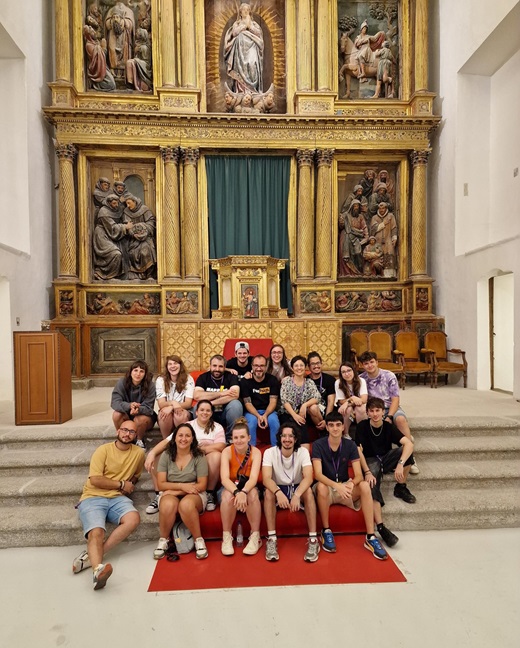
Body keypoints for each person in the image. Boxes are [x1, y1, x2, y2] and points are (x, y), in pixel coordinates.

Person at [72, 420, 145, 590]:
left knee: (133, 519)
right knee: (96, 532)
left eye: (132, 432)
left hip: (118, 499)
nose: (127, 434)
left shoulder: (138, 453)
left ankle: (93, 556)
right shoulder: (103, 450)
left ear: (136, 436)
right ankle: (98, 570)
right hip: (93, 497)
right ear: (118, 431)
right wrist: (121, 484)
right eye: (125, 430)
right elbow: (95, 480)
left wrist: (130, 484)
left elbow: (137, 474)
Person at [312, 412, 388, 560]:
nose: (335, 428)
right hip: (327, 487)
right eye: (331, 425)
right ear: (326, 427)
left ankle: (370, 537)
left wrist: (350, 484)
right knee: (320, 486)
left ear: (343, 427)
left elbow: (359, 475)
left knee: (365, 486)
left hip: (345, 487)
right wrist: (336, 486)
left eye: (338, 425)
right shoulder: (318, 444)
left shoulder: (350, 445)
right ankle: (326, 531)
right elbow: (318, 475)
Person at [356, 397, 415, 548]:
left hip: (386, 458)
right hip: (371, 461)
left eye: (378, 411)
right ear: (368, 412)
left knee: (407, 452)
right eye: (372, 411)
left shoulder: (388, 427)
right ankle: (381, 527)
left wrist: (400, 464)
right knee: (372, 483)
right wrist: (367, 472)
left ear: (383, 412)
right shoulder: (362, 426)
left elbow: (408, 444)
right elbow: (358, 452)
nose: (375, 414)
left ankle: (400, 487)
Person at [262, 422, 320, 562]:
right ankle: (272, 538)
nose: (287, 439)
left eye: (291, 436)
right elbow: (266, 479)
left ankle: (313, 539)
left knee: (308, 493)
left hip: (297, 486)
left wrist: (297, 494)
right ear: (280, 437)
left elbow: (308, 477)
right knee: (268, 493)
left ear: (295, 439)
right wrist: (278, 492)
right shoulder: (270, 452)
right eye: (284, 436)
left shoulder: (303, 452)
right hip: (279, 487)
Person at [154, 424, 209, 560]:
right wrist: (182, 487)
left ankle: (198, 540)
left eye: (187, 436)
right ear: (174, 438)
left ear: (192, 439)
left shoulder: (199, 455)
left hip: (195, 493)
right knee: (167, 504)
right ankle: (163, 540)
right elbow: (161, 484)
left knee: (186, 505)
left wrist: (177, 492)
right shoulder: (166, 455)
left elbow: (202, 485)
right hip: (172, 491)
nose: (183, 439)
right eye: (180, 435)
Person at [359, 351, 419, 474]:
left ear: (376, 362)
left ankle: (410, 457)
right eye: (366, 363)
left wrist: (390, 416)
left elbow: (395, 399)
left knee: (400, 420)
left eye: (372, 362)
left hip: (390, 407)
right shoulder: (361, 379)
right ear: (362, 366)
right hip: (374, 410)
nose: (370, 365)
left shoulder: (389, 375)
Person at [219, 418, 262, 556]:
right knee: (226, 496)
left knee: (253, 495)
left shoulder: (256, 452)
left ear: (249, 437)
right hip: (232, 486)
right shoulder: (226, 452)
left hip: (249, 486)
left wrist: (243, 491)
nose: (239, 440)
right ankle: (226, 536)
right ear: (231, 438)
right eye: (235, 437)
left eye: (242, 437)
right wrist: (237, 492)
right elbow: (224, 479)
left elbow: (254, 478)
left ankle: (255, 536)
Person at [194, 355, 242, 440]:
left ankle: (230, 438)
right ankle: (201, 436)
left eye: (220, 366)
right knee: (197, 407)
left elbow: (235, 395)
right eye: (214, 366)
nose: (217, 369)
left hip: (226, 412)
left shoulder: (231, 376)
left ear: (225, 367)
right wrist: (222, 393)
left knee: (236, 404)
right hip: (209, 412)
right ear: (210, 366)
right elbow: (197, 396)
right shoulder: (203, 377)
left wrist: (211, 402)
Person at [111, 360, 156, 448]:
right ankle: (121, 437)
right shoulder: (122, 382)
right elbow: (115, 402)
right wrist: (129, 406)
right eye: (135, 370)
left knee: (139, 419)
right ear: (131, 372)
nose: (138, 374)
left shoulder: (150, 385)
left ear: (145, 374)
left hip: (144, 416)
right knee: (116, 414)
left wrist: (137, 409)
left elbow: (149, 408)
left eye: (141, 371)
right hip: (127, 413)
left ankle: (139, 441)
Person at [279, 355, 321, 449]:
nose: (299, 368)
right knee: (291, 428)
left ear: (305, 367)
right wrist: (294, 415)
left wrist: (305, 405)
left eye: (301, 365)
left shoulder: (309, 382)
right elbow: (284, 401)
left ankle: (304, 459)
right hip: (287, 413)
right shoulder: (287, 382)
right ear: (292, 368)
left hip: (302, 414)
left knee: (303, 430)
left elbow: (316, 397)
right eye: (296, 366)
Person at [224, 2, 264, 94]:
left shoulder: (254, 24)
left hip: (252, 48)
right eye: (244, 10)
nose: (245, 12)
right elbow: (234, 33)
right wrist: (244, 26)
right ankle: (241, 91)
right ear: (240, 12)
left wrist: (249, 26)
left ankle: (253, 91)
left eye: (247, 10)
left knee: (253, 65)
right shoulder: (237, 23)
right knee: (240, 69)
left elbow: (258, 33)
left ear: (249, 12)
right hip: (240, 52)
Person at [241, 354, 280, 446]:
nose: (259, 368)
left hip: (269, 411)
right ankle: (251, 451)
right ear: (252, 366)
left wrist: (265, 415)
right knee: (251, 423)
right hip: (251, 412)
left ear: (266, 367)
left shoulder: (272, 380)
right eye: (256, 366)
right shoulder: (245, 381)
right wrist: (258, 416)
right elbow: (248, 403)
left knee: (274, 422)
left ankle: (276, 450)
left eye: (262, 366)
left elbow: (273, 401)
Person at [92, 194, 132, 280]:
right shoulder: (104, 212)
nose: (116, 205)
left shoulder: (116, 209)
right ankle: (103, 274)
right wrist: (125, 227)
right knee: (116, 254)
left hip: (111, 235)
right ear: (109, 203)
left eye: (117, 203)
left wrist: (126, 222)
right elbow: (112, 228)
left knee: (127, 248)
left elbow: (121, 217)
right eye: (114, 203)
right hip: (103, 235)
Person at [155, 355, 194, 439]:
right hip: (166, 410)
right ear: (167, 367)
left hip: (184, 410)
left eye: (175, 363)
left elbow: (188, 403)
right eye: (170, 364)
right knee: (164, 415)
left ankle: (180, 441)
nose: (173, 366)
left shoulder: (188, 378)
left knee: (179, 415)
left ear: (180, 365)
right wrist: (173, 403)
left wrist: (172, 407)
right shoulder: (160, 379)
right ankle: (166, 443)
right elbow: (161, 404)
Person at [123, 195, 157, 280]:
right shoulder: (126, 212)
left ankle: (149, 274)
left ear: (134, 202)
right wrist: (133, 234)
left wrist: (144, 230)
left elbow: (151, 223)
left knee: (145, 251)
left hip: (146, 238)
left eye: (129, 203)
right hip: (133, 239)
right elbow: (127, 226)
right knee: (132, 253)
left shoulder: (144, 210)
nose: (128, 205)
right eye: (126, 203)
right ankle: (139, 275)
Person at [335, 362, 368, 437]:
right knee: (347, 409)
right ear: (341, 374)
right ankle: (346, 434)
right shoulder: (338, 383)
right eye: (343, 372)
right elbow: (341, 401)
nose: (347, 374)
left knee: (361, 408)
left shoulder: (361, 381)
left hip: (359, 406)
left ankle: (362, 434)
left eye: (349, 370)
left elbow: (364, 399)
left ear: (353, 371)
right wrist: (352, 398)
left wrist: (348, 402)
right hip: (346, 407)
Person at [307, 351, 336, 433]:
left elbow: (331, 401)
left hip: (327, 412)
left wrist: (326, 419)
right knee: (313, 407)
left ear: (321, 364)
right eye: (313, 364)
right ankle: (325, 431)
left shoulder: (330, 379)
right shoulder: (306, 380)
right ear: (309, 367)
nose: (316, 366)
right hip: (311, 413)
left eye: (318, 363)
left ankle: (325, 427)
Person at [83, 25, 116, 92]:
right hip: (98, 71)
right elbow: (98, 60)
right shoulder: (89, 45)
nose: (94, 33)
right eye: (92, 32)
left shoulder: (95, 43)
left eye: (94, 31)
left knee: (113, 84)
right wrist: (104, 48)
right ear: (89, 35)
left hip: (103, 67)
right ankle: (96, 84)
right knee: (111, 84)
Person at [105, 1, 135, 71]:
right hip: (113, 35)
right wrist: (111, 22)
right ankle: (113, 68)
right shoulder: (111, 10)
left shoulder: (128, 10)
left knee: (124, 50)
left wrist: (123, 22)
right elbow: (106, 23)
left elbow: (131, 23)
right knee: (112, 49)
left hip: (124, 35)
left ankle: (123, 70)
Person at [370, 201, 398, 273]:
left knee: (390, 255)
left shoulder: (390, 216)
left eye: (383, 208)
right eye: (380, 208)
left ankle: (389, 275)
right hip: (377, 242)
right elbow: (373, 230)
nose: (381, 210)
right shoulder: (374, 217)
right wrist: (383, 224)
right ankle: (378, 274)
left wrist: (394, 238)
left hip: (388, 240)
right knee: (377, 258)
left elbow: (394, 228)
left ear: (386, 208)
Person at [125, 27, 152, 91]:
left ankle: (131, 85)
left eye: (138, 33)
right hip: (139, 62)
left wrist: (139, 50)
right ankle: (130, 83)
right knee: (129, 62)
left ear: (141, 35)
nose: (136, 34)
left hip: (145, 65)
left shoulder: (145, 47)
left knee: (130, 62)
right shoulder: (138, 45)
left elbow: (146, 61)